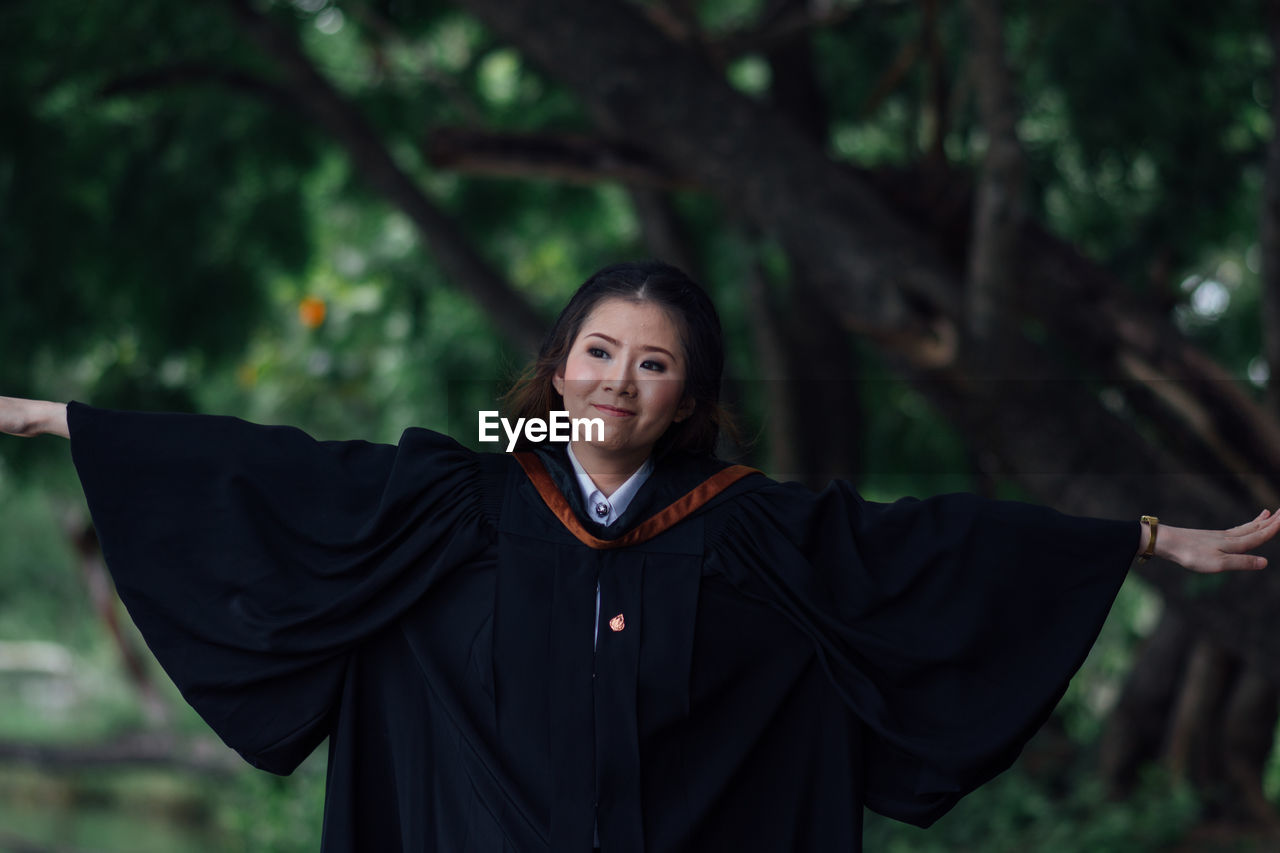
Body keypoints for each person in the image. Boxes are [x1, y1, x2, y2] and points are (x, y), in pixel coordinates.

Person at [1, 260, 1277, 853]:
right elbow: (277, 473)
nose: (618, 380)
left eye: (651, 362)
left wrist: (1150, 536)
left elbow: (929, 551)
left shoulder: (747, 527)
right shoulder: (463, 498)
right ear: (561, 367)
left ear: (687, 396)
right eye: (599, 353)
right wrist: (67, 420)